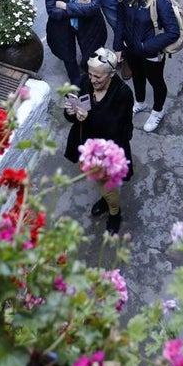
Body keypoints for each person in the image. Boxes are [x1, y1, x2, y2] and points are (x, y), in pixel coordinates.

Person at [63, 48, 134, 235]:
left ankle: (114, 213)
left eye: (98, 77)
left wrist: (88, 116)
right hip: (87, 146)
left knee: (107, 185)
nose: (93, 80)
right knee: (101, 182)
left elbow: (117, 130)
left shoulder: (123, 94)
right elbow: (72, 114)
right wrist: (70, 112)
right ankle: (106, 200)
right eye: (91, 74)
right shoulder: (85, 82)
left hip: (109, 152)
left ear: (111, 74)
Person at [113, 0, 179, 133]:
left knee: (156, 82)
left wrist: (146, 47)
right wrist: (118, 45)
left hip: (151, 52)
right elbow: (120, 19)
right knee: (137, 76)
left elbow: (173, 32)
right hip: (131, 48)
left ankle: (158, 111)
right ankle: (140, 102)